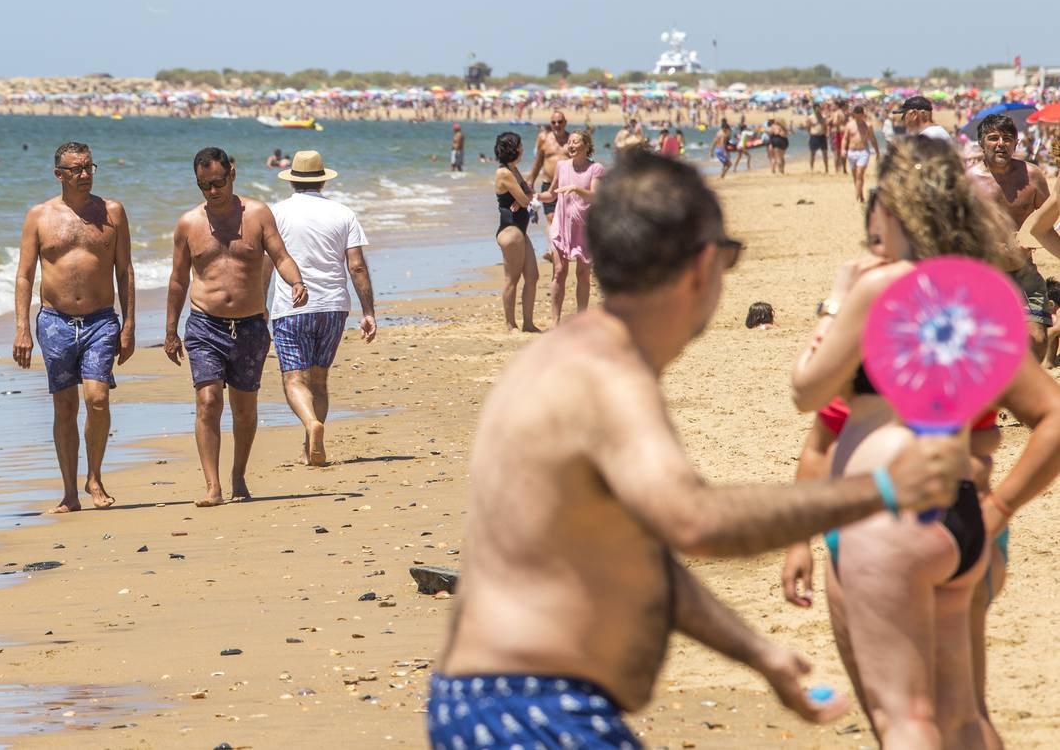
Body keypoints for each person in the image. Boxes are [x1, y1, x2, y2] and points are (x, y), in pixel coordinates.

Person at [429, 153, 965, 749]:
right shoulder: (608, 378)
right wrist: (883, 490)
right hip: (533, 711)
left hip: (497, 701)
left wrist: (758, 653)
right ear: (704, 264)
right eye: (730, 259)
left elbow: (642, 559)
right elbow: (696, 522)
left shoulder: (572, 358)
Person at [784, 180, 1060, 747]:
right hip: (964, 523)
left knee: (901, 719)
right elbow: (819, 440)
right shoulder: (974, 319)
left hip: (879, 526)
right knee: (963, 714)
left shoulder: (885, 324)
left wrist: (836, 302)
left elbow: (812, 408)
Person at [164, 147, 307, 507]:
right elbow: (178, 280)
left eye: (218, 182)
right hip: (204, 324)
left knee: (244, 409)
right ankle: (212, 486)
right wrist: (170, 330)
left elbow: (280, 255)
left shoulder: (257, 214)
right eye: (204, 185)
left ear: (233, 173)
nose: (212, 191)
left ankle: (238, 474)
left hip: (249, 327)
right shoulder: (188, 224)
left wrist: (296, 282)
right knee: (208, 400)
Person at [12, 142, 136, 513]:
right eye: (76, 170)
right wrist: (21, 328)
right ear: (59, 174)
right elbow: (24, 275)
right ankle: (69, 491)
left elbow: (124, 270)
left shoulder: (112, 212)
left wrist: (129, 324)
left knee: (97, 400)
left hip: (100, 319)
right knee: (64, 408)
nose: (84, 175)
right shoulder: (39, 216)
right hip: (54, 322)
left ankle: (94, 477)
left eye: (89, 168)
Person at [266, 150, 376, 467]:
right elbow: (356, 266)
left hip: (291, 305)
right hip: (333, 306)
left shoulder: (277, 213)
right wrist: (368, 311)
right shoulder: (343, 214)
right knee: (319, 380)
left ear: (292, 182)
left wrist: (259, 303)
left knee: (293, 380)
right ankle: (308, 447)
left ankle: (311, 426)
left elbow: (265, 264)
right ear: (323, 181)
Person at [967, 113, 1052, 359]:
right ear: (982, 144)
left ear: (1016, 143)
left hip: (1024, 271)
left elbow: (1050, 219)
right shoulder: (968, 181)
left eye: (1007, 138)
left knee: (1037, 340)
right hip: (983, 275)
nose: (1000, 143)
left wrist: (1033, 239)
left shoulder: (1032, 176)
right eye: (993, 138)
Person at [535, 131, 603, 324]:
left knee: (582, 275)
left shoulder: (596, 168)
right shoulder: (562, 166)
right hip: (561, 225)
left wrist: (575, 189)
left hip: (584, 227)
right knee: (559, 271)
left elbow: (594, 196)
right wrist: (536, 197)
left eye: (575, 142)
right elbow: (552, 194)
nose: (571, 145)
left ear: (586, 146)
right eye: (570, 142)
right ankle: (555, 323)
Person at [493, 132, 539, 332]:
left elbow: (528, 192)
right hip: (510, 230)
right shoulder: (504, 173)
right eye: (520, 145)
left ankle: (528, 324)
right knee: (512, 278)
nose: (522, 148)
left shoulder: (514, 169)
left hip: (521, 230)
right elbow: (526, 200)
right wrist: (524, 197)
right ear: (513, 148)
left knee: (532, 276)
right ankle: (510, 324)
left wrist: (525, 196)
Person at [526, 110, 571, 249]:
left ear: (565, 123)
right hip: (548, 184)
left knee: (566, 218)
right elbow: (538, 161)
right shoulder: (544, 138)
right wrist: (530, 180)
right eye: (553, 122)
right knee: (551, 217)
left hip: (567, 185)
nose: (557, 125)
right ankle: (553, 249)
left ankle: (565, 246)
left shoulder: (572, 140)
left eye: (560, 122)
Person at [842, 106, 880, 203]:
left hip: (863, 152)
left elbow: (872, 139)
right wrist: (843, 149)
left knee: (859, 174)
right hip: (851, 152)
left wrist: (877, 151)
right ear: (854, 114)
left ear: (863, 114)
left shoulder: (868, 125)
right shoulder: (849, 125)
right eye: (856, 114)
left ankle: (856, 197)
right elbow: (845, 138)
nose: (858, 116)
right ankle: (861, 195)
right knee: (855, 176)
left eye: (860, 114)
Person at [806, 104, 830, 173]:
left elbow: (826, 126)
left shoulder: (823, 117)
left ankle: (826, 168)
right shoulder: (810, 117)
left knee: (825, 153)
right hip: (814, 136)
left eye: (819, 108)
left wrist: (827, 133)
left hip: (822, 136)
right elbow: (808, 127)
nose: (818, 110)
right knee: (812, 153)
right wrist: (810, 134)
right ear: (814, 109)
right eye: (816, 109)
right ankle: (811, 168)